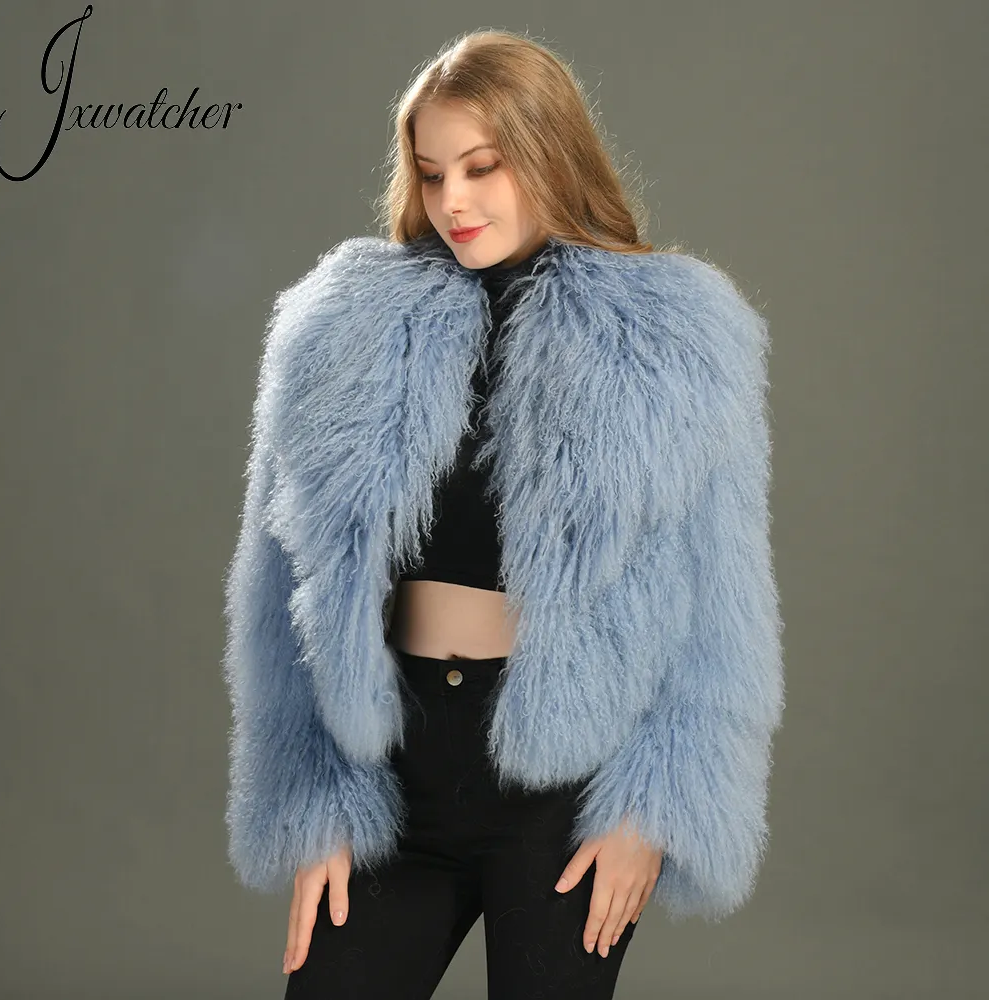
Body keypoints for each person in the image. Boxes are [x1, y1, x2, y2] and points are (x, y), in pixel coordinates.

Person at [221, 28, 785, 1000]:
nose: (453, 201)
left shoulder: (676, 337)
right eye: (431, 171)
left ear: (548, 151)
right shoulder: (338, 326)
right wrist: (315, 804)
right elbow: (279, 594)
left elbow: (724, 611)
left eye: (483, 167)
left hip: (565, 796)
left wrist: (652, 809)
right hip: (391, 774)